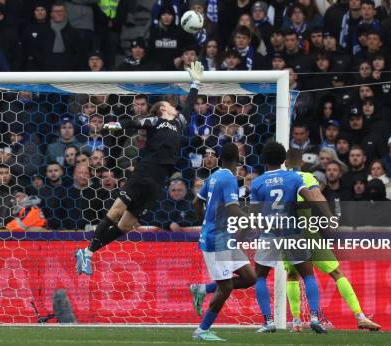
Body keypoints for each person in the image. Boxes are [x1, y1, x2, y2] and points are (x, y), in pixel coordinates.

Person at [74, 61, 204, 276]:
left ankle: (88, 251)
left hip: (157, 182)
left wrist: (196, 83)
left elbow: (189, 107)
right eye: (169, 104)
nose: (174, 106)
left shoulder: (178, 123)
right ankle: (87, 253)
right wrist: (110, 125)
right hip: (143, 173)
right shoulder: (156, 121)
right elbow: (131, 123)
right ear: (163, 108)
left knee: (126, 225)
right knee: (116, 212)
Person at [283, 149, 380, 331]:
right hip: (306, 226)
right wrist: (329, 217)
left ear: (285, 163)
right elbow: (317, 197)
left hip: (286, 228)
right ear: (301, 163)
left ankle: (296, 322)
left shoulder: (279, 179)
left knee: (293, 275)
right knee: (336, 272)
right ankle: (360, 316)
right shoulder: (306, 177)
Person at [250, 142, 333, 334]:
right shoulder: (294, 178)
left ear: (263, 160)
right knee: (308, 275)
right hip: (292, 232)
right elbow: (311, 199)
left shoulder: (257, 182)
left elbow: (254, 215)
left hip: (270, 232)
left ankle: (268, 321)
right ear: (283, 160)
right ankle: (314, 317)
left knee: (260, 277)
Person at [189, 142, 256, 341]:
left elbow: (196, 202)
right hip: (217, 239)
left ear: (220, 158)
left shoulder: (214, 176)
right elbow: (234, 209)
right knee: (226, 287)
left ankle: (203, 289)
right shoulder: (228, 178)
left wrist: (203, 221)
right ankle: (201, 330)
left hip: (223, 237)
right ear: (238, 159)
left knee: (250, 278)